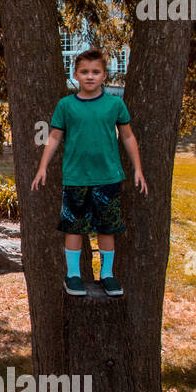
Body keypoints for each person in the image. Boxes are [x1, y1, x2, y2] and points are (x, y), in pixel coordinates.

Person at [31, 48, 147, 297]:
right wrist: (42, 168)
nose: (90, 76)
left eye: (96, 72)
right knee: (74, 228)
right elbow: (53, 137)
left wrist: (138, 169)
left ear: (104, 75)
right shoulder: (66, 105)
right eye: (84, 72)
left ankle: (107, 275)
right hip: (76, 178)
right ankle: (73, 275)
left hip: (108, 178)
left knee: (107, 229)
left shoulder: (115, 104)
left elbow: (127, 136)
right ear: (76, 75)